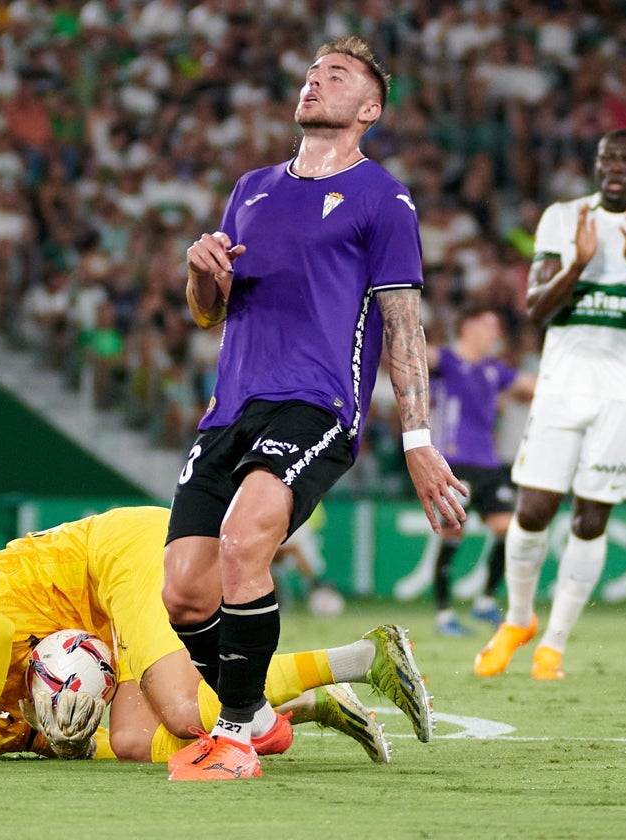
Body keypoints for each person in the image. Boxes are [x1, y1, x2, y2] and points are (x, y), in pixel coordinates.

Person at [161, 35, 466, 781]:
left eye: (335, 76)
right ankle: (261, 719)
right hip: (230, 408)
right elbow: (211, 313)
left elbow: (403, 325)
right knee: (183, 591)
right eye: (310, 73)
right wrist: (200, 274)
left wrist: (418, 439)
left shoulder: (383, 198)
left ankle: (232, 739)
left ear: (368, 109)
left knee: (242, 548)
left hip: (317, 405)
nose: (313, 82)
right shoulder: (252, 187)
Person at [0, 506, 433, 767]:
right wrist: (48, 741)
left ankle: (362, 657)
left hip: (109, 559)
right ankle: (312, 705)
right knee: (139, 743)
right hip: (106, 635)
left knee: (184, 712)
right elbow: (63, 747)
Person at [474, 129, 626, 680]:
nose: (617, 166)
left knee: (591, 517)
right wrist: (578, 263)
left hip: (624, 390)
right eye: (608, 158)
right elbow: (536, 308)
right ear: (597, 164)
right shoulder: (563, 218)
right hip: (562, 383)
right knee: (533, 509)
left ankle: (555, 643)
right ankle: (517, 620)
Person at [428, 304, 536, 636]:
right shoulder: (444, 360)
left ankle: (486, 601)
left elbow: (529, 385)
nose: (494, 335)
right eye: (489, 326)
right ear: (469, 327)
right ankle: (444, 614)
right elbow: (412, 353)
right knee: (453, 532)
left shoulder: (493, 369)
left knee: (509, 529)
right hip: (453, 460)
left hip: (489, 464)